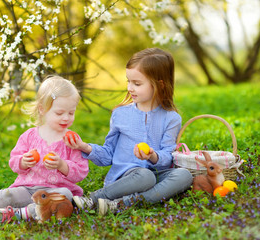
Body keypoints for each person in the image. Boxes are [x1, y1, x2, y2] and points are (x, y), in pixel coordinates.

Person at [66, 48, 193, 216]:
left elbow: (167, 157)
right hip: (126, 177)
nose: (130, 88)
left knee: (184, 175)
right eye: (129, 81)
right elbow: (108, 155)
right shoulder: (121, 114)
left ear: (160, 84)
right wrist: (85, 147)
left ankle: (121, 204)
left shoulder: (171, 118)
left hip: (156, 174)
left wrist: (153, 156)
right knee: (145, 176)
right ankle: (95, 199)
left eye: (137, 83)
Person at [0, 76, 89, 223]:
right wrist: (23, 161)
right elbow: (14, 162)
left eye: (71, 113)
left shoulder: (71, 140)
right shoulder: (29, 136)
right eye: (59, 113)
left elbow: (81, 172)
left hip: (53, 191)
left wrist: (62, 165)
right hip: (26, 189)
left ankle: (18, 214)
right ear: (42, 110)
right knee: (6, 195)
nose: (66, 118)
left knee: (65, 195)